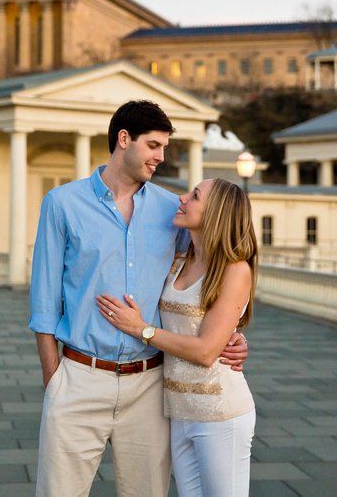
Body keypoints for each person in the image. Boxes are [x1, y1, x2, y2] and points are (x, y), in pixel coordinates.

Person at [29, 100, 248, 497]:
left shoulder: (172, 210)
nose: (160, 158)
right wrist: (54, 380)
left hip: (150, 386)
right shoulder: (61, 204)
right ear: (124, 140)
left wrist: (231, 333)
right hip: (79, 378)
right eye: (153, 146)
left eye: (164, 147)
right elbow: (44, 307)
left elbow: (211, 271)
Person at [98, 177, 257, 496]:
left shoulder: (234, 269)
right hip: (178, 410)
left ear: (216, 213)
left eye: (195, 196)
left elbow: (205, 352)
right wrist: (235, 335)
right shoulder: (179, 261)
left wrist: (139, 329)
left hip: (220, 412)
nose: (182, 198)